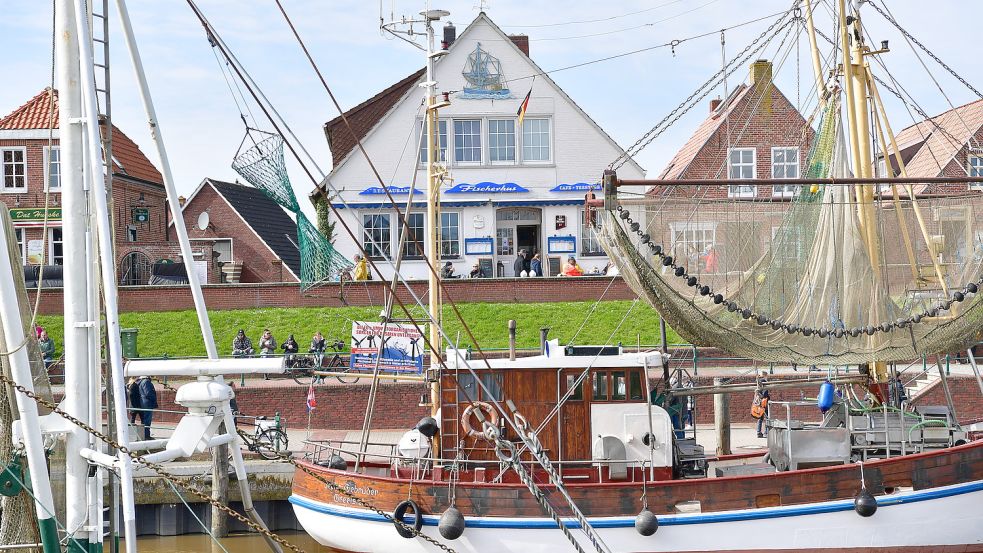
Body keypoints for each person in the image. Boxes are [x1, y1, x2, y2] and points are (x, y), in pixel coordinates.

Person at [135, 375, 158, 440]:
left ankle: (145, 435)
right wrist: (153, 399)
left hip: (143, 403)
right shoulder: (146, 382)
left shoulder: (141, 382)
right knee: (147, 420)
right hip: (147, 404)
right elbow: (148, 393)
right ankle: (146, 435)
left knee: (145, 420)